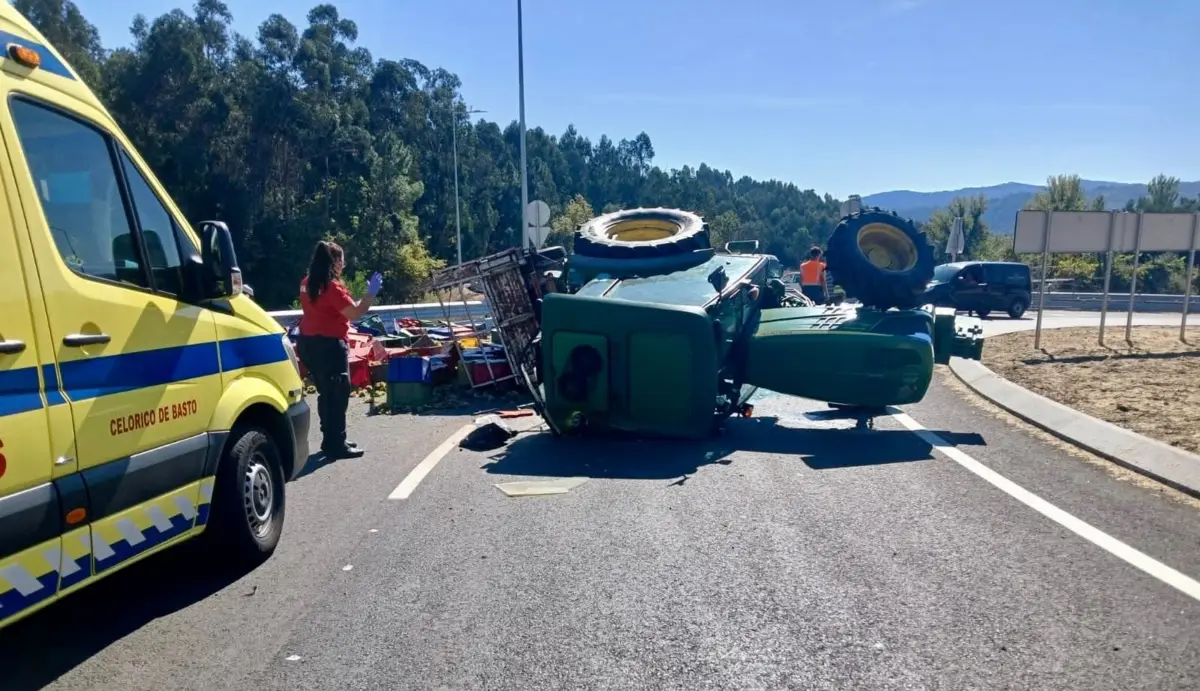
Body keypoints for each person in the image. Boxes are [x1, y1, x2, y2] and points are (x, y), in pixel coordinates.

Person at [296, 240, 382, 459]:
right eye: (342, 261)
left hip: (308, 343)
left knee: (326, 393)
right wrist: (370, 294)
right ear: (334, 262)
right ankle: (337, 444)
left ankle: (332, 438)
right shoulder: (332, 287)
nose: (343, 265)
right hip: (329, 346)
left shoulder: (307, 282)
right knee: (338, 394)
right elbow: (354, 313)